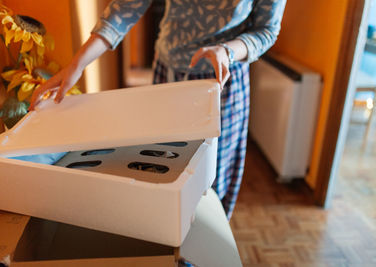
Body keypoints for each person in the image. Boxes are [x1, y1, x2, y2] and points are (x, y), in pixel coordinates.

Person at [29, 0, 286, 220]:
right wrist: (77, 65)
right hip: (168, 73)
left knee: (211, 180)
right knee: (163, 165)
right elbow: (126, 8)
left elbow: (267, 30)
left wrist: (227, 50)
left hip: (222, 81)